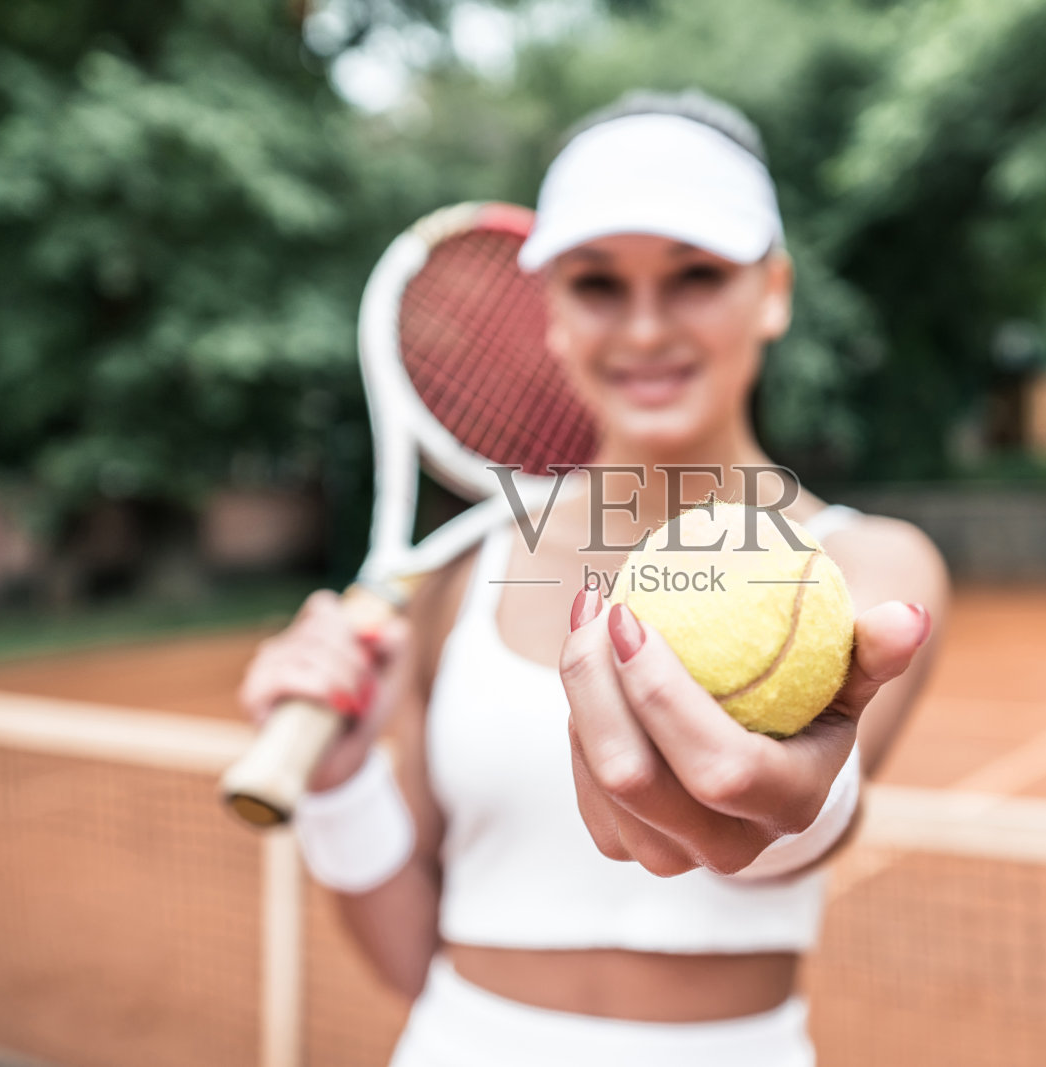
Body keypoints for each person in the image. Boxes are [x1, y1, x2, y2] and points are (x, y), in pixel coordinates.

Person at [238, 89, 949, 1065]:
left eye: (696, 274)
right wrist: (340, 782)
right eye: (597, 283)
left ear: (773, 290)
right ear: (552, 314)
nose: (645, 328)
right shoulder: (462, 577)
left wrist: (792, 806)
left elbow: (792, 830)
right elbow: (411, 958)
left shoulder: (873, 567)